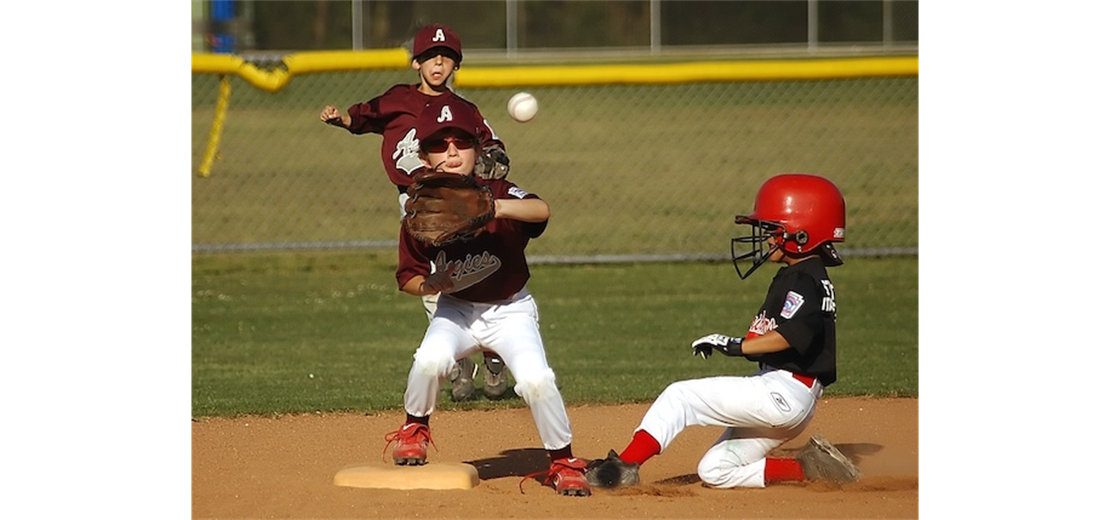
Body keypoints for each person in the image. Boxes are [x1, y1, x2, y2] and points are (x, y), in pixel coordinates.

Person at [584, 173, 861, 490]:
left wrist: (735, 345)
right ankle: (810, 469)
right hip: (787, 395)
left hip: (782, 394)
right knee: (715, 471)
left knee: (681, 396)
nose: (767, 238)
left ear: (802, 233)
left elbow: (789, 335)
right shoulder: (805, 275)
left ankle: (621, 468)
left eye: (774, 230)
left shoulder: (803, 280)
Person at [383, 96, 591, 497]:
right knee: (430, 359)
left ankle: (563, 460)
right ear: (423, 156)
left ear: (477, 148)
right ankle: (415, 428)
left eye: (460, 143)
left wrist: (495, 207)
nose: (451, 153)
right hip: (456, 311)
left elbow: (541, 210)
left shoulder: (498, 191)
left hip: (511, 311)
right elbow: (407, 276)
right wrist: (430, 286)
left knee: (536, 380)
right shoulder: (421, 208)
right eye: (439, 146)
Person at [319, 23, 513, 402]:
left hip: (460, 201)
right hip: (414, 200)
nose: (437, 62)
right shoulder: (397, 101)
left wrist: (495, 158)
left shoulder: (463, 109)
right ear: (415, 63)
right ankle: (457, 366)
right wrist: (341, 119)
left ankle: (492, 353)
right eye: (429, 57)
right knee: (431, 281)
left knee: (477, 272)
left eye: (446, 58)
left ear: (456, 66)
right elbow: (364, 117)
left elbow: (491, 143)